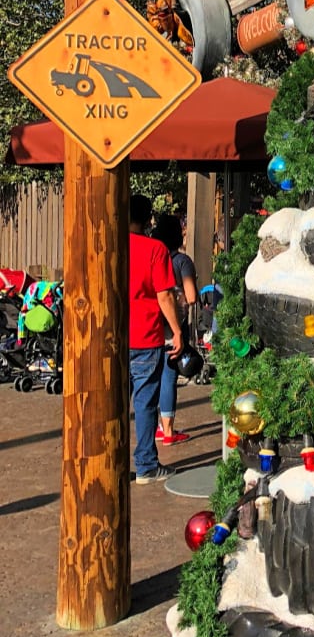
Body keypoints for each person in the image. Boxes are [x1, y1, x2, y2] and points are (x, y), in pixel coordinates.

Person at [129, 194, 182, 484]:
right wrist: (177, 330)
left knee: (114, 404)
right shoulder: (155, 249)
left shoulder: (108, 244)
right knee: (145, 402)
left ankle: (112, 462)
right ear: (148, 218)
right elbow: (164, 294)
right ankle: (146, 463)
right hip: (146, 335)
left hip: (112, 336)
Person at [151, 212, 198, 445]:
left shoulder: (154, 257)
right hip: (175, 325)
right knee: (169, 376)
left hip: (153, 323)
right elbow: (191, 296)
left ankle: (159, 425)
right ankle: (168, 430)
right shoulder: (182, 261)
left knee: (155, 376)